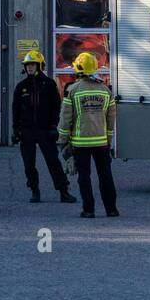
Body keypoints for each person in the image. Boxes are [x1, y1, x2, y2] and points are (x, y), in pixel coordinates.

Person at [57, 52, 118, 219]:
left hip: (80, 143)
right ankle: (111, 209)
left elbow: (65, 119)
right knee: (106, 176)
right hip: (101, 143)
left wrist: (62, 141)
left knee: (84, 177)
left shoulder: (73, 90)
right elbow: (111, 118)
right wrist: (108, 139)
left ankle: (89, 210)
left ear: (78, 69)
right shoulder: (105, 90)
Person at [11, 49, 76, 204]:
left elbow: (56, 107)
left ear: (40, 65)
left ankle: (63, 191)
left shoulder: (49, 84)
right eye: (28, 65)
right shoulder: (21, 87)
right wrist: (15, 130)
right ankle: (34, 191)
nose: (30, 68)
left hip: (45, 130)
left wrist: (54, 126)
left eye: (33, 64)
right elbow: (15, 110)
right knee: (29, 163)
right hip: (27, 131)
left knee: (53, 161)